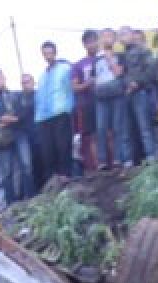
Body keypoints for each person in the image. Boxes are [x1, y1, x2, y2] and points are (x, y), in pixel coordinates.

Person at [35, 41, 75, 185]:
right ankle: (53, 178)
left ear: (55, 52)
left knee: (63, 145)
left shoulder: (65, 68)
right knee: (47, 149)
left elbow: (71, 88)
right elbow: (39, 97)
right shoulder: (42, 75)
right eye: (45, 53)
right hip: (43, 117)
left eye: (50, 52)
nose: (47, 56)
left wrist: (70, 108)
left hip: (61, 111)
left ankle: (66, 175)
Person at [0, 68, 23, 210]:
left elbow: (23, 111)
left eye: (0, 78)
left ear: (5, 77)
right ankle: (6, 204)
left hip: (19, 135)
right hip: (3, 140)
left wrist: (14, 119)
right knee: (4, 173)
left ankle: (20, 199)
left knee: (21, 169)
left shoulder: (17, 95)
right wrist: (0, 119)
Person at [122, 26, 158, 163]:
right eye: (121, 35)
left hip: (142, 91)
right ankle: (134, 160)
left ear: (132, 35)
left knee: (145, 126)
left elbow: (152, 70)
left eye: (126, 34)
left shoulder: (143, 50)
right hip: (128, 94)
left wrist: (137, 83)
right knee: (130, 129)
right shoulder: (123, 54)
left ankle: (151, 156)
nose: (124, 37)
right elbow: (123, 74)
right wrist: (126, 85)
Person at [94, 31, 128, 167]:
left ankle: (118, 158)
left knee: (117, 127)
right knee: (101, 128)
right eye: (104, 37)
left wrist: (109, 58)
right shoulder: (96, 59)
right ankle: (102, 161)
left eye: (109, 36)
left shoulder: (120, 56)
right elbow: (94, 77)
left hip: (116, 94)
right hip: (101, 96)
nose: (106, 39)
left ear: (114, 39)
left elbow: (119, 72)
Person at [72, 30, 101, 171]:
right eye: (88, 42)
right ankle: (98, 167)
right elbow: (75, 87)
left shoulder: (105, 58)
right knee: (92, 136)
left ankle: (114, 164)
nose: (92, 44)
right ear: (84, 45)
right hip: (88, 104)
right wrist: (88, 83)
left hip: (107, 101)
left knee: (109, 133)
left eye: (94, 41)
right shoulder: (78, 65)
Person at [16, 73, 38, 198]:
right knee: (27, 166)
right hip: (25, 135)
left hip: (40, 132)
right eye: (23, 83)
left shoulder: (39, 95)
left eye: (28, 81)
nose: (25, 85)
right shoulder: (19, 98)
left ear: (33, 82)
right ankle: (31, 195)